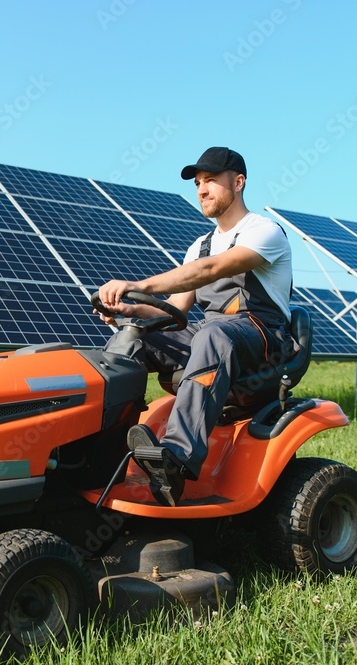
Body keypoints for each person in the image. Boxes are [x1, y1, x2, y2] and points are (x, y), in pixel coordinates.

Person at [97, 147, 294, 506]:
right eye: (198, 183)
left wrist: (136, 284)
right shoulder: (199, 246)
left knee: (212, 333)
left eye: (211, 181)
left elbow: (210, 271)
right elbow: (175, 310)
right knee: (136, 340)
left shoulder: (264, 231)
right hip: (212, 335)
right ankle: (100, 450)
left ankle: (176, 459)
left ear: (238, 182)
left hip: (263, 338)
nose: (201, 190)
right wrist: (129, 311)